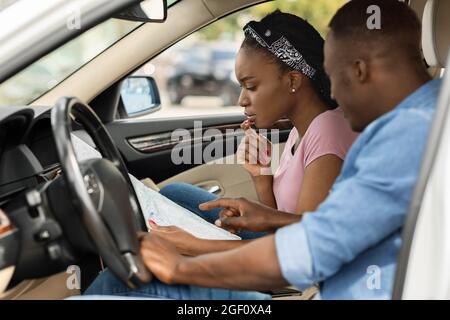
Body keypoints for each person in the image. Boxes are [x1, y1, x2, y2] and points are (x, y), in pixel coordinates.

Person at [84, 0, 441, 300]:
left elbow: (309, 252)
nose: (333, 96)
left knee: (125, 281)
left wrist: (182, 261)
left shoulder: (407, 134)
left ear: (360, 71)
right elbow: (327, 230)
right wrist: (266, 202)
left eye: (333, 77)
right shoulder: (424, 118)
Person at [150, 10, 357, 255]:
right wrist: (262, 178)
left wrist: (199, 247)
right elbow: (281, 226)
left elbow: (304, 250)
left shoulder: (328, 132)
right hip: (284, 251)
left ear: (292, 80)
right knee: (175, 194)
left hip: (299, 274)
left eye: (251, 86)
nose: (241, 100)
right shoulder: (301, 130)